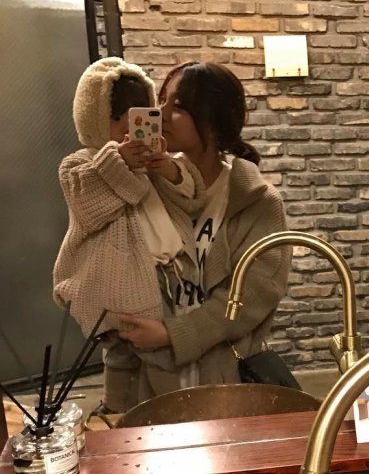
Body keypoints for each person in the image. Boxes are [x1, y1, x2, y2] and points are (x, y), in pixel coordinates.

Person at [115, 61, 291, 402]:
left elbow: (254, 295)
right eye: (162, 100)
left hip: (227, 381)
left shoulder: (255, 200)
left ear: (213, 120)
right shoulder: (144, 186)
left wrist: (172, 334)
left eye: (178, 106)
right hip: (149, 378)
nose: (161, 113)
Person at [53, 57, 206, 413]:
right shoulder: (81, 163)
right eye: (117, 117)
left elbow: (191, 197)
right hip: (116, 282)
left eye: (139, 115)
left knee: (160, 354)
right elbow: (88, 207)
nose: (127, 127)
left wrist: (167, 168)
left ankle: (165, 414)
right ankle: (125, 414)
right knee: (123, 356)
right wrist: (117, 160)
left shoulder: (155, 161)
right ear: (92, 116)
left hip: (166, 277)